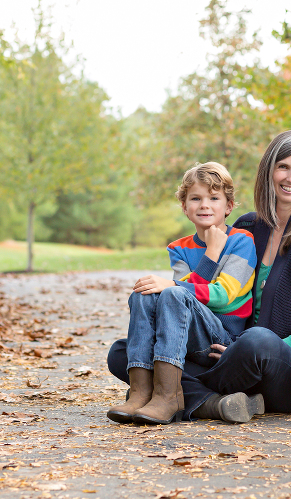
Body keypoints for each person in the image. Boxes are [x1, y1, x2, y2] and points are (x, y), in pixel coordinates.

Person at [107, 130, 291, 423]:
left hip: (284, 366)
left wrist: (248, 349)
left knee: (257, 340)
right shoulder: (249, 227)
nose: (290, 177)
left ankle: (190, 396)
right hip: (226, 356)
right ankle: (214, 404)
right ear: (269, 171)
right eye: (283, 166)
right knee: (122, 352)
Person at [107, 162, 256, 425]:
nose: (204, 205)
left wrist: (211, 253)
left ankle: (167, 395)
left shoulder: (241, 241)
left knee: (173, 293)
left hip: (219, 340)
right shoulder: (179, 248)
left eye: (214, 198)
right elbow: (177, 297)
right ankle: (141, 393)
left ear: (229, 206)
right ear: (185, 208)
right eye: (195, 198)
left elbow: (222, 296)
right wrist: (175, 283)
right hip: (183, 338)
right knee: (144, 293)